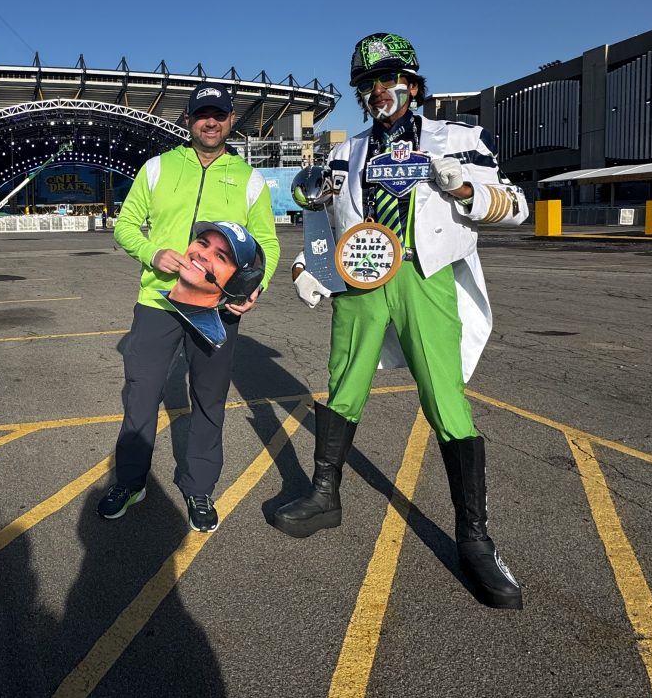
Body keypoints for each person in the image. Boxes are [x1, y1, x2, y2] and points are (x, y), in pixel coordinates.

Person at [276, 33, 528, 609]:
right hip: (361, 276)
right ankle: (324, 495)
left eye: (389, 79)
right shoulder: (346, 151)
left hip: (424, 275)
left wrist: (464, 187)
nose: (378, 91)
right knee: (343, 386)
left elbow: (516, 204)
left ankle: (475, 537)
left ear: (413, 85)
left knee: (444, 397)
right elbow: (324, 220)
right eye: (368, 84)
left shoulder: (458, 139)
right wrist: (307, 265)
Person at [101, 82, 280, 533]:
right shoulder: (158, 168)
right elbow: (125, 225)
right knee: (141, 394)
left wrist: (256, 286)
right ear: (189, 120)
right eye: (203, 114)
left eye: (219, 114)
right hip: (157, 302)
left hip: (216, 309)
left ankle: (199, 486)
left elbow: (267, 242)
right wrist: (152, 253)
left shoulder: (250, 179)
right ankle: (131, 482)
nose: (211, 122)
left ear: (231, 120)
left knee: (208, 398)